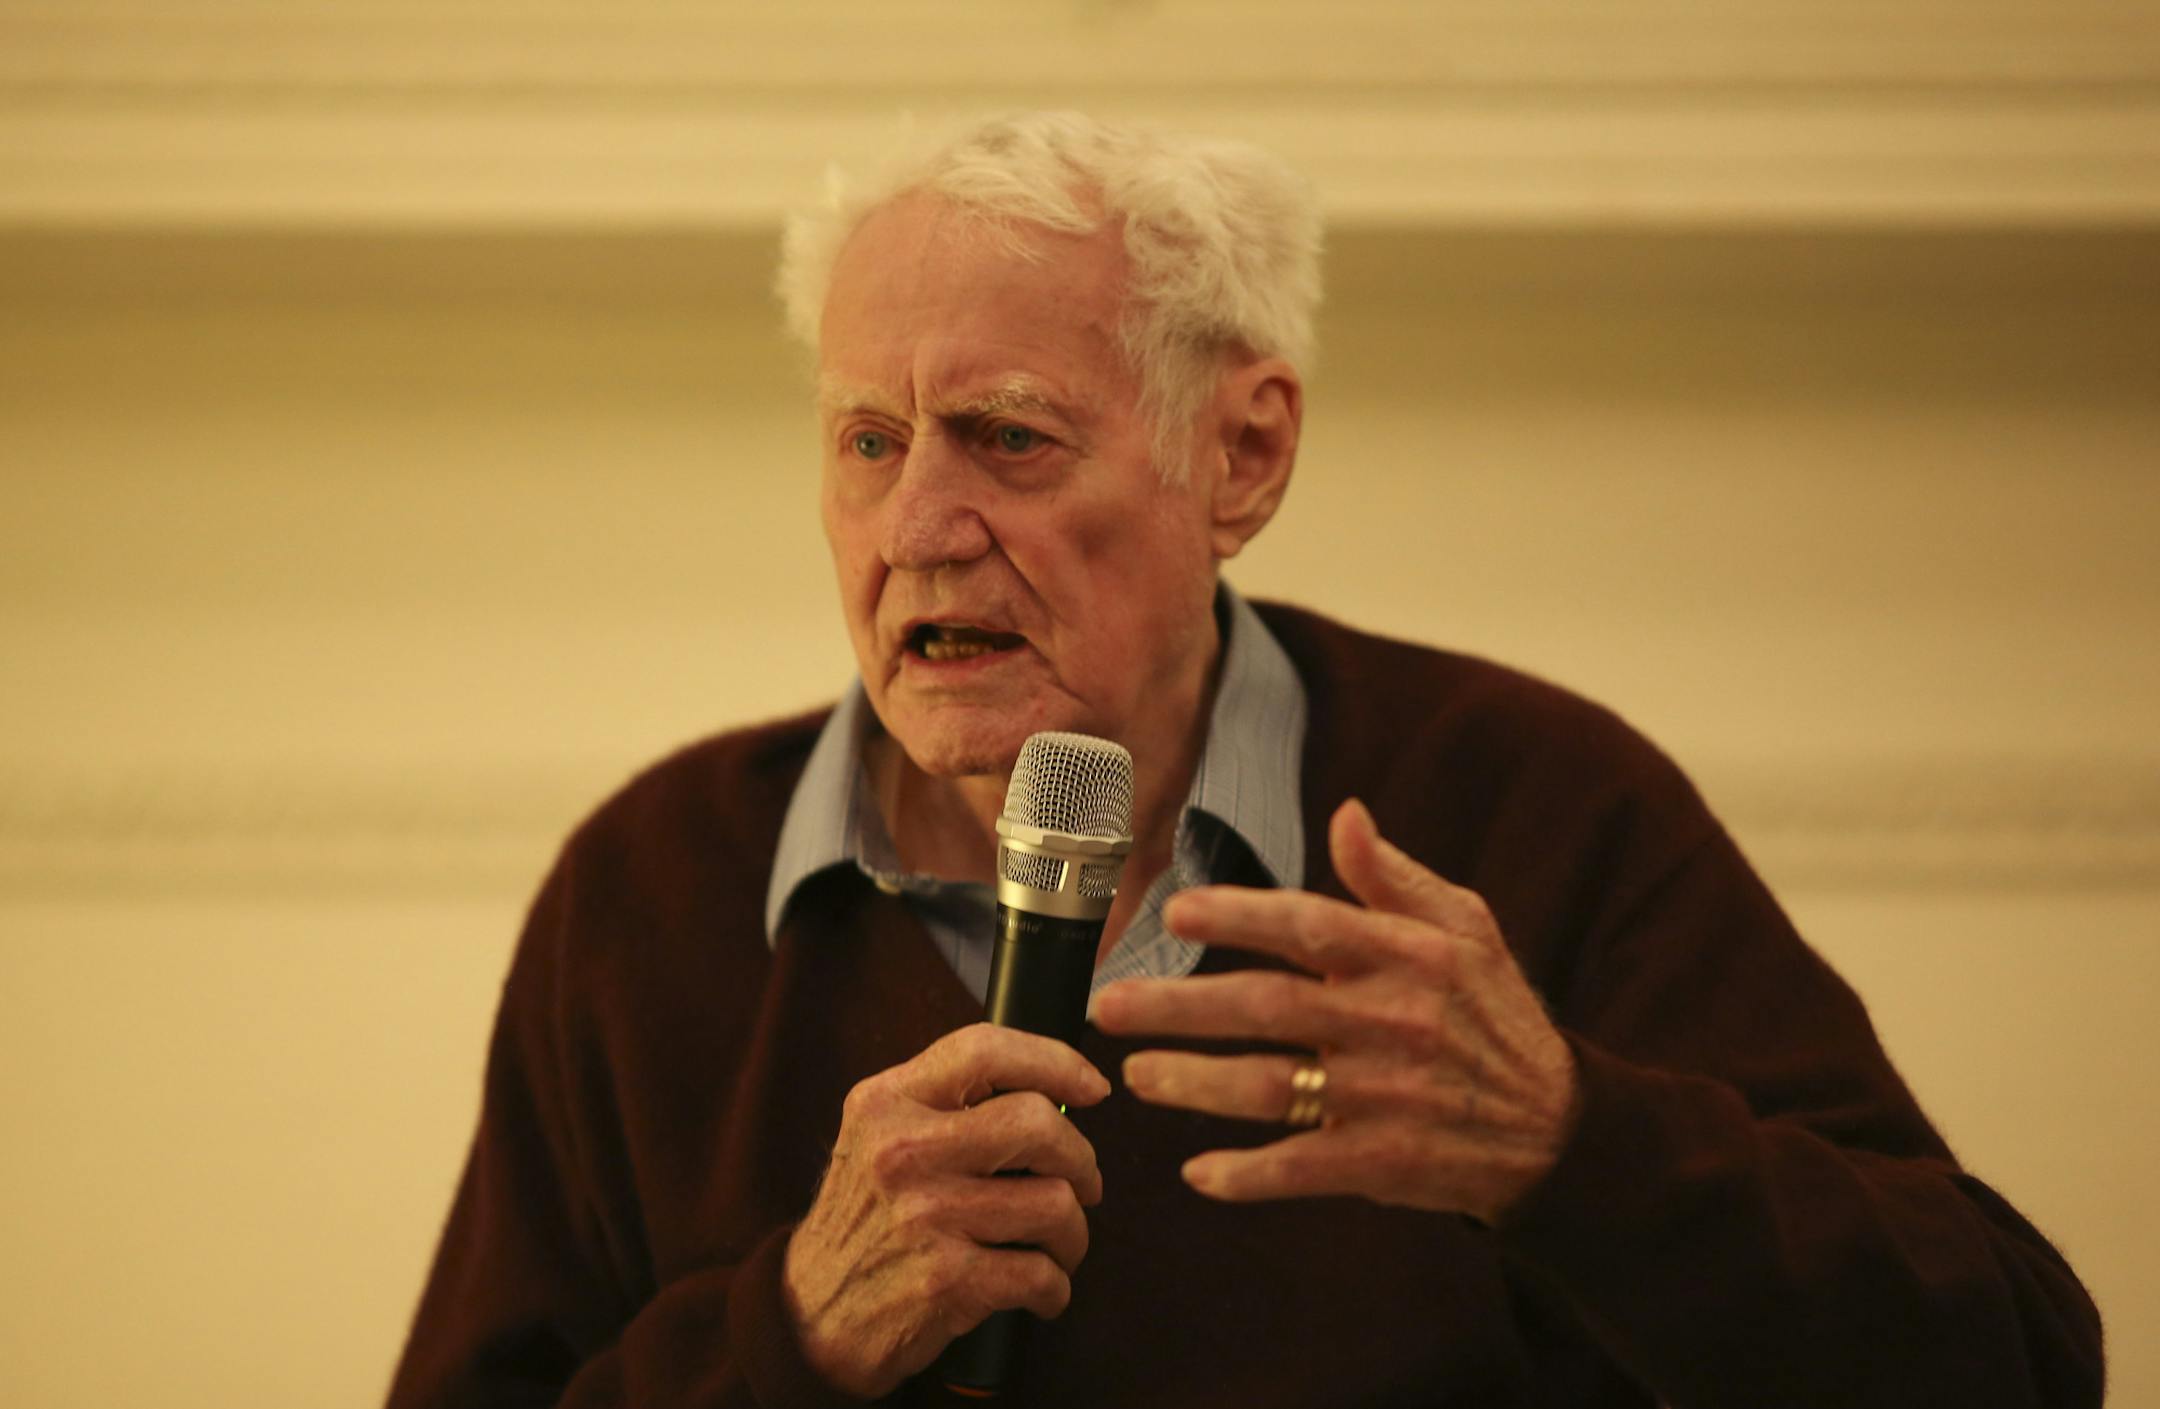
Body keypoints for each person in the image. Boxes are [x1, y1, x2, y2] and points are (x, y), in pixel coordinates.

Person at [386, 112, 2104, 1407]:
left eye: (1003, 436)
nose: (915, 523)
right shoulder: (658, 888)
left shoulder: (1525, 810)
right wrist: (795, 1334)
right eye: (865, 438)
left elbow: (2017, 1356)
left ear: (1244, 457)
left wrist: (1569, 1146)